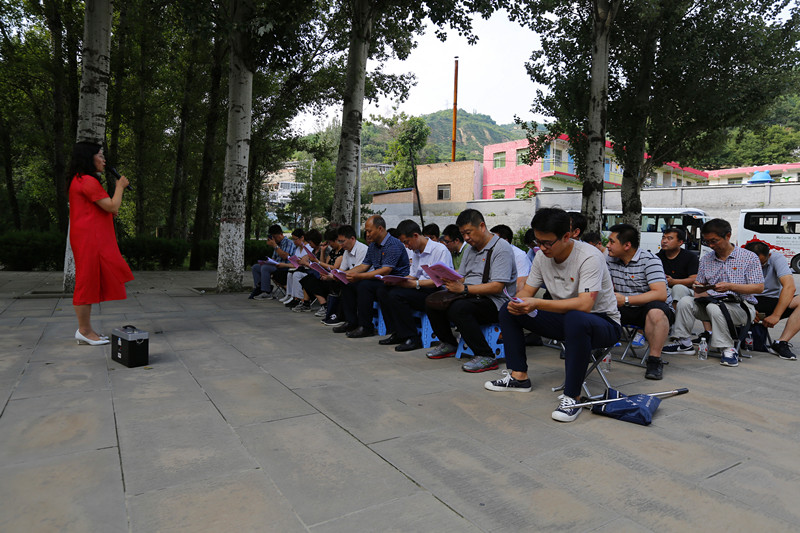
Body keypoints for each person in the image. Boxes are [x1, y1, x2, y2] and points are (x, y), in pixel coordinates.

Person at [487, 208, 621, 423]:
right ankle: (519, 377)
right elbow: (527, 291)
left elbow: (585, 304)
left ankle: (573, 398)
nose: (541, 248)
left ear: (567, 236)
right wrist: (518, 303)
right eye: (538, 242)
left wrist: (537, 303)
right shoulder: (542, 257)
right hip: (566, 320)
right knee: (509, 310)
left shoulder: (589, 257)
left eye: (547, 243)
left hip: (603, 323)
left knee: (576, 317)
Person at [425, 209, 517, 373]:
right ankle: (449, 343)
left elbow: (497, 286)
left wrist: (464, 288)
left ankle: (486, 355)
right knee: (432, 301)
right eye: (463, 234)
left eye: (468, 233)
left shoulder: (501, 248)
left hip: (495, 302)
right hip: (471, 295)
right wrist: (448, 278)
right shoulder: (470, 249)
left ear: (481, 226)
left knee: (458, 308)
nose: (466, 238)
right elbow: (462, 276)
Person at [663, 219, 764, 367]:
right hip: (712, 302)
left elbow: (759, 288)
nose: (711, 245)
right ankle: (684, 342)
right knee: (685, 301)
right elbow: (699, 285)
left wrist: (731, 286)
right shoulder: (706, 259)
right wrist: (699, 287)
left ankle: (728, 348)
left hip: (741, 307)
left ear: (728, 236)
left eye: (714, 241)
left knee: (715, 307)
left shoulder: (748, 257)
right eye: (707, 242)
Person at [67, 142, 134, 345]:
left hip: (89, 237)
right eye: (100, 155)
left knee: (91, 279)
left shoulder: (81, 179)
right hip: (89, 238)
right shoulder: (86, 180)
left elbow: (102, 208)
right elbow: (112, 206)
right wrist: (120, 187)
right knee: (86, 282)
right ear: (89, 158)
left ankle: (87, 330)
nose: (104, 160)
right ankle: (84, 331)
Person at [606, 223, 673, 380]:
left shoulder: (650, 260)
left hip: (648, 308)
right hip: (623, 306)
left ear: (627, 245)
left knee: (656, 312)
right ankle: (594, 348)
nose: (607, 245)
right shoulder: (609, 259)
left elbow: (660, 294)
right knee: (593, 306)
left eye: (612, 242)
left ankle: (654, 360)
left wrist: (626, 300)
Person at [376, 219, 453, 351]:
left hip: (437, 292)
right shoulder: (417, 252)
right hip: (421, 288)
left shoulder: (439, 250)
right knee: (383, 290)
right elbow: (413, 275)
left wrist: (414, 284)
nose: (406, 246)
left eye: (407, 242)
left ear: (416, 235)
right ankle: (397, 332)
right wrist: (395, 280)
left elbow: (440, 281)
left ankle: (412, 337)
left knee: (396, 295)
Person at [334, 216, 410, 337]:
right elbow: (364, 266)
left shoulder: (393, 244)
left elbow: (385, 270)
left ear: (380, 229)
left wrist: (360, 276)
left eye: (369, 231)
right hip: (380, 281)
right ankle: (351, 322)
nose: (367, 234)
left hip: (394, 281)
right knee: (348, 283)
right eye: (366, 231)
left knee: (365, 285)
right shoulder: (373, 246)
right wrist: (346, 274)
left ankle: (366, 327)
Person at [743, 240, 799, 360]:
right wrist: (748, 307)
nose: (757, 267)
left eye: (761, 263)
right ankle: (710, 334)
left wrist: (776, 315)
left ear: (769, 255)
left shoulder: (777, 258)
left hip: (770, 300)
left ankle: (781, 342)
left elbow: (789, 287)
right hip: (745, 301)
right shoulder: (738, 259)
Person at [320, 225, 368, 327]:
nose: (341, 244)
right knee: (342, 284)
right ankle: (349, 321)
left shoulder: (362, 250)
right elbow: (341, 270)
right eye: (339, 241)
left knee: (349, 286)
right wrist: (332, 276)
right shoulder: (346, 251)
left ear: (352, 238)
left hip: (364, 279)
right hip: (353, 279)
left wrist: (340, 275)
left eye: (342, 241)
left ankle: (354, 322)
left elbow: (360, 270)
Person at [250, 225, 295, 299]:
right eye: (272, 237)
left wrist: (274, 245)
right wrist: (268, 261)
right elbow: (274, 258)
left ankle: (266, 292)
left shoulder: (289, 243)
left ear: (281, 234)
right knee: (255, 267)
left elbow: (285, 256)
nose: (274, 239)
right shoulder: (277, 244)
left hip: (285, 266)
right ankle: (259, 288)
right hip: (276, 265)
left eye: (275, 237)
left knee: (265, 268)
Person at [656, 227, 698, 307]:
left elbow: (694, 279)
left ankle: (675, 313)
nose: (664, 241)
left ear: (680, 242)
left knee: (678, 288)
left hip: (686, 291)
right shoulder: (657, 258)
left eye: (669, 238)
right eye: (663, 238)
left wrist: (673, 281)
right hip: (665, 288)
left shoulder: (690, 257)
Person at [491, 224, 531, 291]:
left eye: (493, 240)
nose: (490, 242)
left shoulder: (519, 255)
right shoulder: (491, 252)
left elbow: (519, 283)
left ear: (504, 241)